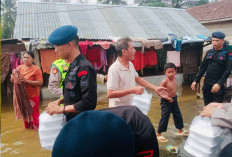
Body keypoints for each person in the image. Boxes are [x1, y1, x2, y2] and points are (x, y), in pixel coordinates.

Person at [45, 25, 97, 121]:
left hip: (81, 122)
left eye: (57, 45)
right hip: (71, 121)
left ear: (69, 45)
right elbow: (75, 94)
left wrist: (62, 109)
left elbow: (89, 102)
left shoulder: (84, 67)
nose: (55, 50)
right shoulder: (72, 65)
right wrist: (60, 101)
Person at [107, 37, 169, 108]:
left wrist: (155, 88)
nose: (135, 51)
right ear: (124, 51)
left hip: (130, 107)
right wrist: (131, 90)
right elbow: (110, 93)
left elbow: (137, 79)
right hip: (118, 110)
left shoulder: (130, 64)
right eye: (132, 48)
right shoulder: (114, 69)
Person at [191, 31, 232, 106]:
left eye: (217, 40)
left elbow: (228, 71)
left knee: (216, 109)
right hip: (207, 85)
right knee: (207, 107)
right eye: (213, 40)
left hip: (218, 86)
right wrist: (196, 80)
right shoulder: (209, 52)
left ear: (223, 41)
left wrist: (219, 84)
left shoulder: (228, 53)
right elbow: (203, 68)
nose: (214, 42)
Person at [11, 51, 43, 130]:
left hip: (33, 95)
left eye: (28, 57)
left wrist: (26, 81)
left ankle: (36, 130)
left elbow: (40, 82)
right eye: (24, 57)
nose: (25, 59)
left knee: (33, 113)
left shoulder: (36, 69)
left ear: (33, 59)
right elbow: (13, 80)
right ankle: (28, 129)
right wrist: (13, 78)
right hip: (22, 95)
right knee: (24, 114)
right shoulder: (20, 68)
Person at [157, 63, 188, 142]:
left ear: (176, 71)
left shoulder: (175, 79)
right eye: (169, 72)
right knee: (165, 116)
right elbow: (159, 92)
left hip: (174, 99)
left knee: (177, 114)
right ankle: (158, 134)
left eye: (172, 72)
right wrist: (167, 98)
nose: (171, 74)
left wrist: (172, 98)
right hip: (166, 101)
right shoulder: (165, 81)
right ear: (165, 73)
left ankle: (180, 130)